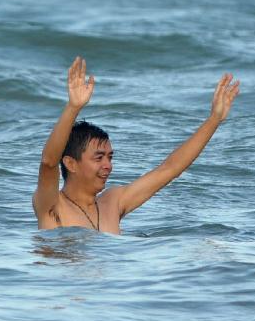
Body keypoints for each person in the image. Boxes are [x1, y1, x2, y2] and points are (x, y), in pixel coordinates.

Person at [33, 56, 240, 234]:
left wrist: (214, 120)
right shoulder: (51, 205)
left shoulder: (112, 203)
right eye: (99, 157)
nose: (108, 165)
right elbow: (49, 162)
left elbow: (169, 169)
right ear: (71, 163)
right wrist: (73, 107)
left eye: (110, 157)